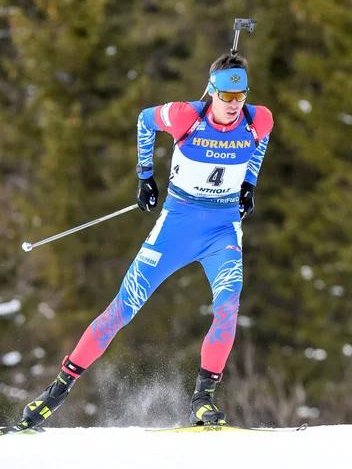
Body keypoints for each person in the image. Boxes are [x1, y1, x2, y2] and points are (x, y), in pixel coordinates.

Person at [18, 53, 273, 430]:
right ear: (212, 91)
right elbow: (143, 121)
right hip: (176, 227)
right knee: (123, 308)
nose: (234, 106)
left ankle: (202, 401)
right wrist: (145, 176)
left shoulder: (258, 118)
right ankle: (55, 392)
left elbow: (261, 144)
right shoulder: (187, 115)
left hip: (222, 231)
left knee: (227, 310)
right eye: (227, 97)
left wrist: (249, 184)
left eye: (241, 97)